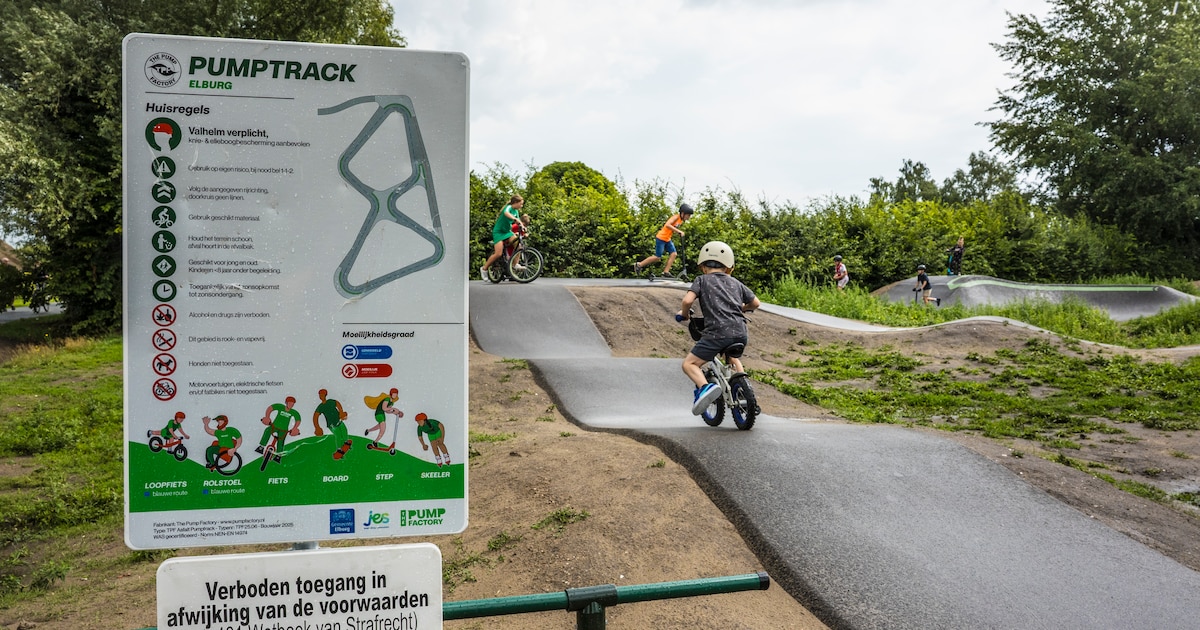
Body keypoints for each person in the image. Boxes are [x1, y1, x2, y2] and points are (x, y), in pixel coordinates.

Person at [677, 241, 761, 416]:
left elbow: (687, 301)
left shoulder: (701, 280)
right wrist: (741, 309)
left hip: (716, 334)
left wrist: (684, 314)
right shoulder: (736, 283)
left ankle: (705, 388)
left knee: (689, 364)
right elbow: (755, 303)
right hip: (740, 332)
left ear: (702, 266)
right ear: (729, 267)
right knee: (732, 357)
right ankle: (745, 389)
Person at [635, 203, 693, 277]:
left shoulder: (680, 221)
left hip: (667, 239)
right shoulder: (676, 217)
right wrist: (678, 231)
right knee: (657, 257)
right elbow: (667, 225)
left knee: (674, 254)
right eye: (688, 215)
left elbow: (671, 229)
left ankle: (666, 272)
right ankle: (639, 265)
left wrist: (677, 233)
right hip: (661, 238)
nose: (689, 217)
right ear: (682, 213)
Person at [481, 194, 524, 281]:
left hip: (507, 232)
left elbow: (519, 221)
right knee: (498, 253)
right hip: (498, 232)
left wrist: (522, 226)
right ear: (515, 203)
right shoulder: (508, 208)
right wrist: (515, 219)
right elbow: (506, 213)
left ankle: (515, 264)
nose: (521, 206)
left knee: (518, 244)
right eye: (520, 204)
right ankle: (484, 268)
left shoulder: (516, 212)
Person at [312, 389, 352, 460]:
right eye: (320, 395)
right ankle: (339, 449)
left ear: (325, 395)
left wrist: (341, 412)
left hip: (338, 420)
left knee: (344, 430)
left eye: (322, 395)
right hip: (331, 424)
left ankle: (346, 442)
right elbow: (315, 416)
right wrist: (317, 427)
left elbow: (337, 404)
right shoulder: (320, 407)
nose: (321, 396)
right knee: (338, 435)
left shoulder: (330, 401)